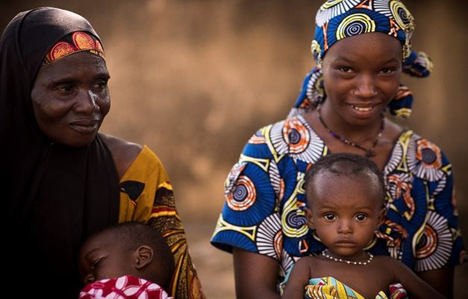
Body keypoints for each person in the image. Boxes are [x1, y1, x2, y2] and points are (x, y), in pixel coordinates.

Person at [211, 0, 465, 298]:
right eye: (346, 69)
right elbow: (255, 292)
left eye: (385, 70)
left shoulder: (427, 165)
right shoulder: (270, 152)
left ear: (402, 67)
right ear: (320, 62)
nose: (367, 88)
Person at [0, 7, 203, 298]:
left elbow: (180, 290)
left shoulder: (135, 171)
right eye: (65, 88)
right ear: (20, 87)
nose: (90, 104)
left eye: (99, 85)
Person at [280, 153, 444, 299]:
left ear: (379, 219)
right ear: (310, 219)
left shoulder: (389, 267)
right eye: (330, 216)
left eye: (360, 217)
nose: (345, 228)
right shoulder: (307, 267)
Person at [78, 222, 174, 299]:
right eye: (84, 278)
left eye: (96, 263)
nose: (88, 279)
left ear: (141, 258)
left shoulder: (103, 293)